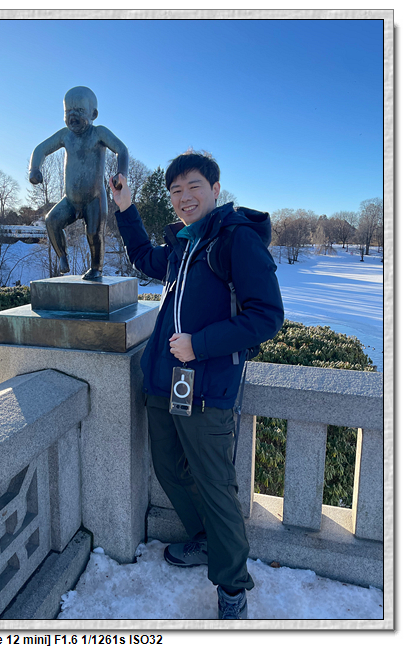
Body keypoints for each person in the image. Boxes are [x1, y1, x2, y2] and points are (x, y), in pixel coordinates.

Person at [109, 151, 284, 620]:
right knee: (169, 468)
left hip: (208, 388)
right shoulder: (184, 245)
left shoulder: (235, 240)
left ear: (215, 189)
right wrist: (126, 208)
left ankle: (232, 586)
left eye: (193, 187)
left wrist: (200, 345)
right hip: (164, 382)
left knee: (215, 486)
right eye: (176, 191)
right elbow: (144, 257)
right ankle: (205, 540)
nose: (184, 197)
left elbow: (267, 316)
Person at [29, 86, 128, 280]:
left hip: (94, 199)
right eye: (68, 111)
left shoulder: (98, 133)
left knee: (93, 233)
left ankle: (96, 268)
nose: (72, 116)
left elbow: (121, 150)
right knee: (51, 221)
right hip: (71, 200)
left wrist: (121, 174)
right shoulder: (65, 135)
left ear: (93, 114)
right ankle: (62, 256)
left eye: (80, 111)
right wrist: (34, 169)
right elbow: (40, 149)